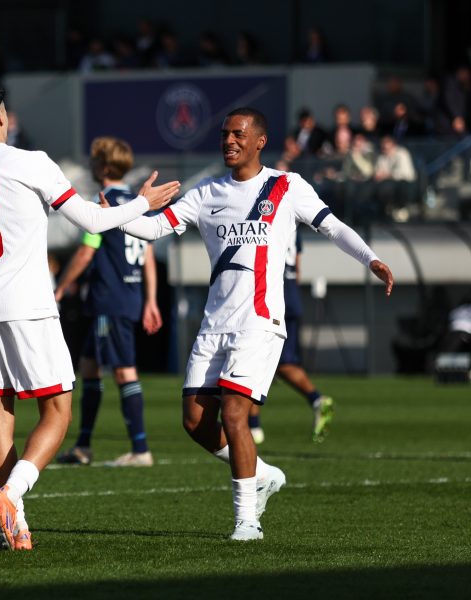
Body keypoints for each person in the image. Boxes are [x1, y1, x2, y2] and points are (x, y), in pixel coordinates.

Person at [117, 107, 393, 541]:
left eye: (238, 134)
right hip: (214, 324)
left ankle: (248, 522)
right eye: (225, 134)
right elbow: (152, 230)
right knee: (193, 422)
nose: (229, 141)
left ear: (260, 141)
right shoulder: (206, 192)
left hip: (261, 321)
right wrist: (120, 211)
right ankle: (261, 474)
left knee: (234, 413)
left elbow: (332, 226)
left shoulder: (286, 186)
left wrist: (370, 258)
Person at [0, 80, 180, 551]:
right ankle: (11, 494)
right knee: (58, 411)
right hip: (28, 306)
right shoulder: (31, 162)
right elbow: (92, 222)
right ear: (2, 116)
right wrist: (145, 203)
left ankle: (13, 525)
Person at [54, 137, 163, 467]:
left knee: (124, 371)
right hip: (127, 297)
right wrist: (151, 300)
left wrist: (60, 287)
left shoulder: (103, 203)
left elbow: (87, 251)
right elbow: (148, 255)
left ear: (102, 166)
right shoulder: (137, 201)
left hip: (109, 300)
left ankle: (141, 449)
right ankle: (84, 445)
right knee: (89, 366)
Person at [248, 232, 335, 445]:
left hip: (273, 297)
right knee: (262, 362)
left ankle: (316, 400)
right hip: (290, 295)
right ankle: (252, 423)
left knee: (272, 363)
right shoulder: (293, 223)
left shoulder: (267, 218)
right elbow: (297, 267)